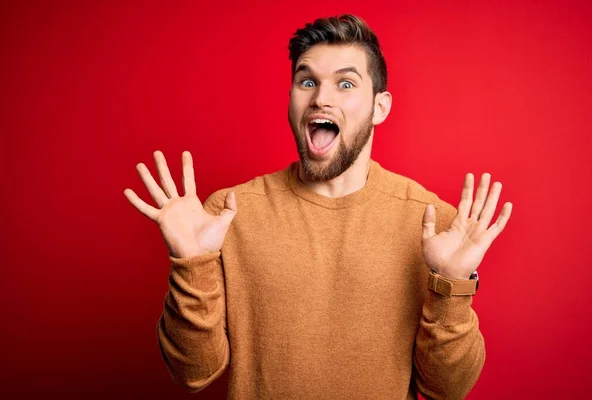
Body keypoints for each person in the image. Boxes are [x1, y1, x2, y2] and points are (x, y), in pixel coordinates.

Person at [124, 14, 512, 400]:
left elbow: (448, 388)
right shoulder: (228, 214)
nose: (321, 98)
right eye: (307, 81)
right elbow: (194, 373)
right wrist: (191, 266)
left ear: (380, 107)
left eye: (345, 83)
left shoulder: (432, 224)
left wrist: (453, 287)